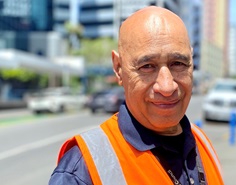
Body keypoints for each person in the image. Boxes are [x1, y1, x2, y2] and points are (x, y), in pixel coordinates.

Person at [49, 6, 224, 185]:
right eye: (147, 66)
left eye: (178, 63)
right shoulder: (83, 170)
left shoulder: (202, 143)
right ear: (118, 69)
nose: (167, 86)